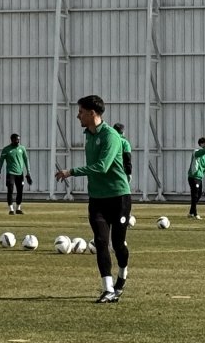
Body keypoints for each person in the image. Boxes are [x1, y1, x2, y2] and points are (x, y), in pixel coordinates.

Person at [55, 95, 131, 304]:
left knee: (118, 245)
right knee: (100, 241)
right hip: (97, 199)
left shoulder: (110, 136)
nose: (78, 115)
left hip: (119, 197)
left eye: (80, 112)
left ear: (92, 113)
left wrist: (71, 171)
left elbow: (103, 166)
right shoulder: (88, 134)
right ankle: (108, 289)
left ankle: (122, 276)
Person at [0, 133, 32, 215]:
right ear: (12, 140)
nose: (18, 141)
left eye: (18, 140)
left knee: (20, 191)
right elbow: (1, 161)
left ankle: (18, 208)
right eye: (16, 140)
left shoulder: (22, 148)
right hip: (10, 173)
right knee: (10, 190)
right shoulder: (6, 149)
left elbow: (26, 160)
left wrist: (28, 172)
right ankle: (11, 209)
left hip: (20, 173)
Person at [187, 137, 205, 219]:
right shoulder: (196, 151)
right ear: (201, 144)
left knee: (199, 194)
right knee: (195, 195)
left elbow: (202, 168)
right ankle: (195, 214)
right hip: (193, 177)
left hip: (199, 177)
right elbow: (201, 152)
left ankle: (191, 212)